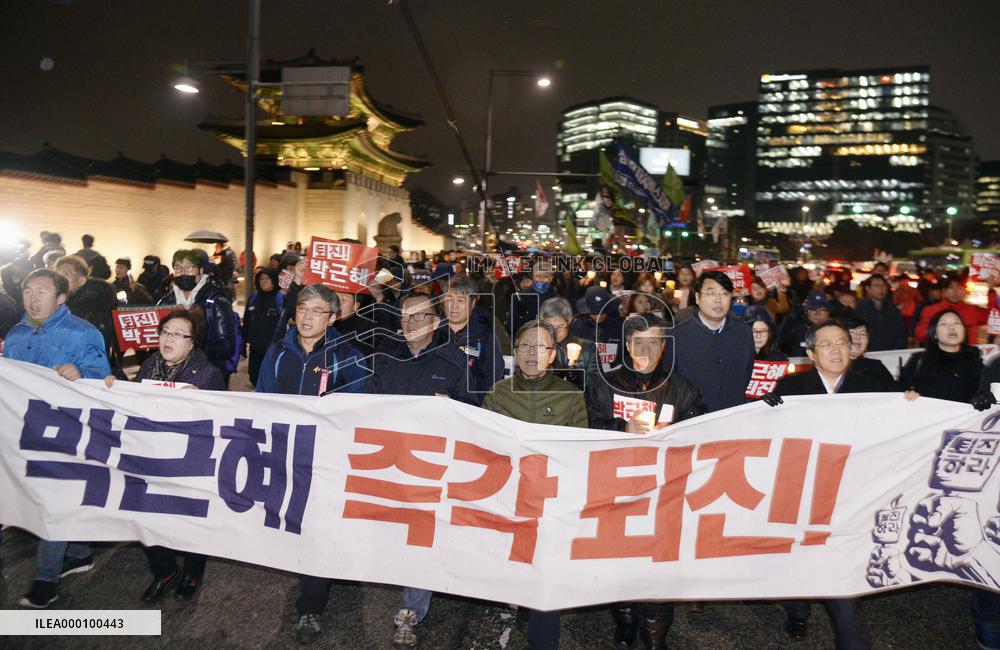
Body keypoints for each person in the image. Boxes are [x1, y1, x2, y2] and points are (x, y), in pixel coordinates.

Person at [762, 319, 888, 649]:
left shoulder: (872, 384)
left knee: (839, 572)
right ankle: (797, 609)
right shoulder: (791, 388)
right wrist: (765, 411)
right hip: (801, 489)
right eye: (827, 345)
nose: (836, 350)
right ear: (810, 353)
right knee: (795, 557)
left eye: (842, 343)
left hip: (850, 494)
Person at [254, 284, 368, 643]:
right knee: (293, 527)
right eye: (303, 308)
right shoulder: (277, 352)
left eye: (318, 311)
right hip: (286, 457)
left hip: (326, 463)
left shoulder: (348, 356)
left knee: (319, 532)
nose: (307, 316)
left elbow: (361, 407)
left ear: (334, 317)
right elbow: (260, 402)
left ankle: (310, 606)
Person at [586, 312, 707, 649]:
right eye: (640, 342)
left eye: (655, 342)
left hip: (665, 492)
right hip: (618, 490)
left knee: (659, 566)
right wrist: (621, 428)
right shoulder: (605, 383)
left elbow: (703, 426)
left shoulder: (683, 387)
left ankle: (655, 635)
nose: (647, 349)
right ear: (627, 344)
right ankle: (624, 619)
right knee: (620, 562)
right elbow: (589, 428)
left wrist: (681, 430)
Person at [365, 293, 475, 647]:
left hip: (431, 471)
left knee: (420, 539)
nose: (410, 324)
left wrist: (455, 407)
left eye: (420, 317)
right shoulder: (383, 358)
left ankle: (411, 612)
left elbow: (476, 413)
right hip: (386, 463)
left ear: (436, 322)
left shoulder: (454, 363)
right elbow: (363, 405)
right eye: (405, 317)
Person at [3, 269, 111, 608]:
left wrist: (82, 374)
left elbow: (105, 378)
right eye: (28, 291)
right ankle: (78, 552)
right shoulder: (17, 334)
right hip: (28, 431)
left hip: (68, 432)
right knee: (41, 497)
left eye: (42, 292)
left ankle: (45, 580)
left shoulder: (81, 333)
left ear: (61, 297)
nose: (33, 299)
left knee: (53, 501)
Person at [103, 308, 224, 601]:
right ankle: (165, 570)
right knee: (147, 517)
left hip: (188, 463)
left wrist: (201, 402)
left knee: (189, 518)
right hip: (150, 457)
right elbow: (135, 406)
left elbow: (221, 423)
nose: (168, 339)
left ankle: (194, 569)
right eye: (165, 332)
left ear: (193, 342)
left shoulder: (208, 374)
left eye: (178, 335)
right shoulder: (149, 367)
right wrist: (114, 386)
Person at [482, 319, 587, 649]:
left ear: (553, 354)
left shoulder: (571, 397)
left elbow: (581, 451)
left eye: (540, 347)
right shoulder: (498, 394)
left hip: (549, 503)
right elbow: (482, 447)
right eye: (524, 346)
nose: (531, 353)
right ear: (514, 352)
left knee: (546, 580)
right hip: (507, 498)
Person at [663, 270, 754, 413]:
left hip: (734, 417)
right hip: (693, 421)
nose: (718, 299)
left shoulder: (744, 333)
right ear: (698, 298)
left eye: (724, 293)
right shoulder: (677, 336)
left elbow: (746, 375)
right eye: (711, 293)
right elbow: (668, 382)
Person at [158, 249, 238, 385]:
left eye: (189, 267)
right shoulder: (166, 302)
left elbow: (227, 346)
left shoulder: (216, 301)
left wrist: (188, 347)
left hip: (207, 374)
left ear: (201, 270)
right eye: (178, 267)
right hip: (172, 375)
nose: (182, 272)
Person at [441, 274, 504, 401]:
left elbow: (493, 382)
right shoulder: (432, 333)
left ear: (473, 302)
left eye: (460, 300)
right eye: (449, 299)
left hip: (471, 407)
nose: (454, 306)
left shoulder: (486, 337)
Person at [900, 310, 982, 403]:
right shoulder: (919, 361)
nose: (951, 327)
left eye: (956, 323)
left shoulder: (975, 360)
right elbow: (902, 391)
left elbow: (983, 390)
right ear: (934, 333)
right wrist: (909, 395)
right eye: (944, 324)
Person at [54, 254, 118, 361]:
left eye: (66, 275)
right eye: (58, 276)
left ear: (81, 280)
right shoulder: (62, 304)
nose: (60, 280)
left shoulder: (94, 307)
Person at [540, 297, 600, 390]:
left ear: (569, 322)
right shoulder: (535, 348)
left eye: (560, 327)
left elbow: (598, 384)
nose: (554, 332)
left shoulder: (588, 348)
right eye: (549, 327)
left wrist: (580, 377)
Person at [914, 275, 989, 344]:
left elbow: (994, 316)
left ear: (965, 292)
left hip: (968, 356)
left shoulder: (973, 310)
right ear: (944, 291)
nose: (955, 291)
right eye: (951, 288)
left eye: (960, 288)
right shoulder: (931, 310)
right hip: (942, 355)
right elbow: (920, 334)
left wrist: (991, 290)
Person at [571, 285, 625, 373]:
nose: (598, 315)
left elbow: (626, 357)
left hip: (614, 377)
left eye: (602, 311)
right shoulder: (578, 326)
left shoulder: (620, 326)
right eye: (594, 312)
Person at [243, 268, 282, 386]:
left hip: (273, 347)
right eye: (261, 279)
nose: (263, 281)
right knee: (254, 377)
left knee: (271, 379)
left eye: (267, 279)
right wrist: (243, 343)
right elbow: (246, 321)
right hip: (255, 347)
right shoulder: (253, 298)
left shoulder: (280, 299)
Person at [841, 315, 897, 388]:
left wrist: (908, 396)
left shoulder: (876, 367)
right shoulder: (832, 367)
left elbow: (895, 392)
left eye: (863, 334)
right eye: (852, 332)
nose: (858, 337)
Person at [509, 260, 560, 335]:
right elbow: (512, 325)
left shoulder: (558, 299)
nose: (541, 279)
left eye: (545, 276)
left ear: (551, 278)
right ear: (532, 277)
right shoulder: (519, 297)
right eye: (538, 276)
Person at [856, 274, 905, 351]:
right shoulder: (860, 307)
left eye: (883, 285)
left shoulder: (892, 308)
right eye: (876, 285)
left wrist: (901, 348)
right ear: (868, 288)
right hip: (868, 351)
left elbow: (900, 331)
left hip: (890, 350)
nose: (881, 289)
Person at [778, 289, 832, 356]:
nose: (817, 314)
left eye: (822, 310)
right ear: (806, 311)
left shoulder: (836, 330)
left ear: (829, 312)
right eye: (812, 309)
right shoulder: (794, 328)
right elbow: (779, 345)